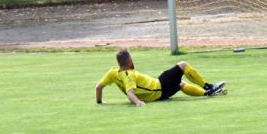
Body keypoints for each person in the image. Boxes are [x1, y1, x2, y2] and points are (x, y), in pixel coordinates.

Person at [95, 49, 226, 106]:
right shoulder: (128, 75)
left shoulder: (113, 72)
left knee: (179, 84)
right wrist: (137, 102)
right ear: (129, 61)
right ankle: (209, 86)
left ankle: (207, 93)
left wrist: (99, 102)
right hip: (159, 87)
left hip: (159, 93)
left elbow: (98, 87)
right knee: (183, 65)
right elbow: (130, 92)